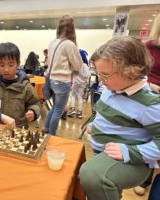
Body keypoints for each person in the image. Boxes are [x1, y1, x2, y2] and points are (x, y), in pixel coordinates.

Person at [79, 36, 160, 200]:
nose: (101, 80)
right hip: (104, 153)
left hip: (132, 161)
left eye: (106, 75)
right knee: (106, 189)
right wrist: (96, 124)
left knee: (92, 176)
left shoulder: (148, 103)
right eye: (99, 74)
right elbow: (106, 111)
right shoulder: (113, 87)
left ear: (132, 71)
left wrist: (130, 151)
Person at [0, 42, 40, 128]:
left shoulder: (25, 86)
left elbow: (35, 103)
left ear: (18, 64)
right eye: (1, 65)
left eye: (11, 65)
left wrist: (34, 111)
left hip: (18, 129)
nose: (6, 69)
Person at [133, 13, 160, 196]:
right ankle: (142, 176)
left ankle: (148, 179)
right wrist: (147, 85)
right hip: (147, 96)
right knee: (145, 135)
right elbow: (136, 71)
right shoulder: (149, 46)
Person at [43, 15, 82, 135]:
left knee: (54, 107)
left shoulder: (53, 42)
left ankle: (45, 127)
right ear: (72, 29)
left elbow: (48, 62)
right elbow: (78, 66)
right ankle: (51, 134)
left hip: (51, 79)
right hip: (62, 81)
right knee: (58, 110)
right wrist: (70, 66)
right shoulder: (70, 44)